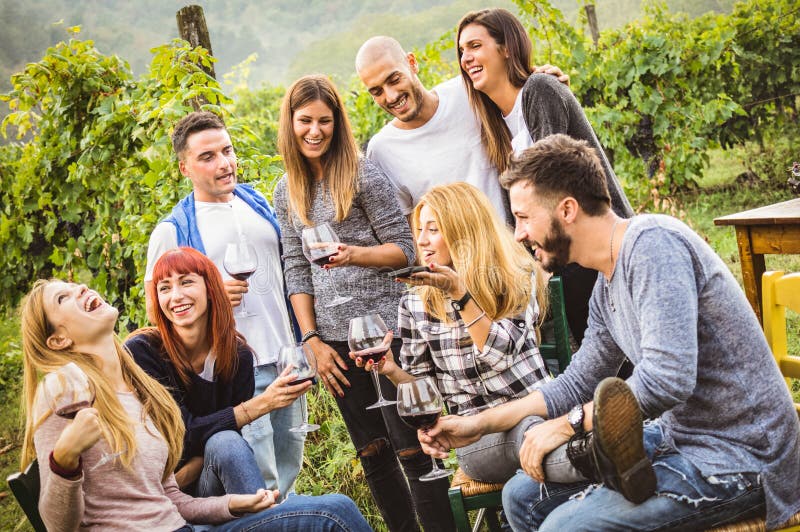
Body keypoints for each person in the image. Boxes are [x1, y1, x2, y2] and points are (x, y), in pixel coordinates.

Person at [418, 134, 800, 531]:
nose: (518, 234)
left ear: (567, 210)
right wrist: (479, 424)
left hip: (745, 456)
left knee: (562, 528)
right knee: (521, 497)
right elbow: (575, 383)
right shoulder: (605, 283)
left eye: (525, 217)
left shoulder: (654, 245)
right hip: (678, 437)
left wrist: (567, 425)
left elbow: (668, 379)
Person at [18, 279, 373, 531]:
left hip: (183, 526)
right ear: (58, 339)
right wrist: (63, 459)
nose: (80, 288)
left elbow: (169, 498)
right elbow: (56, 526)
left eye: (73, 285)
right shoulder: (62, 388)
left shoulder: (135, 387)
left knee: (333, 509)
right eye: (63, 299)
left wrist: (231, 505)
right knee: (334, 514)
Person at [273, 74, 454, 531]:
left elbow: (404, 249)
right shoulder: (285, 190)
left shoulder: (360, 173)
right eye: (305, 121)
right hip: (334, 342)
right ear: (290, 124)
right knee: (374, 457)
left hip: (387, 331)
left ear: (338, 124)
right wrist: (311, 338)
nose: (315, 131)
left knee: (412, 448)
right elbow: (295, 268)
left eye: (325, 121)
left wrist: (352, 254)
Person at [353, 182, 586, 485]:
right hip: (476, 438)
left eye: (433, 229)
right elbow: (426, 392)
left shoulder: (512, 277)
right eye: (419, 229)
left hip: (537, 407)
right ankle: (597, 463)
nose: (421, 241)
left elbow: (499, 354)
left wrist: (460, 295)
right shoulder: (414, 303)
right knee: (530, 433)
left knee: (529, 445)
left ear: (463, 232)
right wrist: (390, 369)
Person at [144, 111, 303, 498]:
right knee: (258, 482)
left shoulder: (256, 201)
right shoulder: (172, 230)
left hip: (285, 359)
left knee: (290, 470)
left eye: (227, 151)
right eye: (208, 156)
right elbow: (157, 312)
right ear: (184, 167)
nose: (224, 163)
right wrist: (213, 302)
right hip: (236, 370)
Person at [456, 8, 635, 345]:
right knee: (601, 352)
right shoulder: (496, 126)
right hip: (569, 256)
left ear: (507, 47)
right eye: (462, 51)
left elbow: (547, 189)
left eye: (475, 46)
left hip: (601, 247)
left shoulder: (539, 90)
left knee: (624, 352)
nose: (466, 58)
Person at [125, 247, 311, 497]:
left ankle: (260, 516)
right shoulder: (143, 352)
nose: (176, 296)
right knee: (224, 440)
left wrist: (183, 477)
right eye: (165, 288)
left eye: (186, 282)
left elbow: (223, 439)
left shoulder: (237, 357)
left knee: (226, 441)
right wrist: (262, 404)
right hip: (154, 496)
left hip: (207, 487)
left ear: (211, 288)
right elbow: (181, 434)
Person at [355, 35, 569, 226]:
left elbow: (524, 112)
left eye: (394, 79)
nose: (390, 96)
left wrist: (552, 86)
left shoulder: (469, 91)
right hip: (457, 269)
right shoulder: (381, 150)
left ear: (412, 63)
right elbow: (411, 231)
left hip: (519, 249)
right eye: (377, 91)